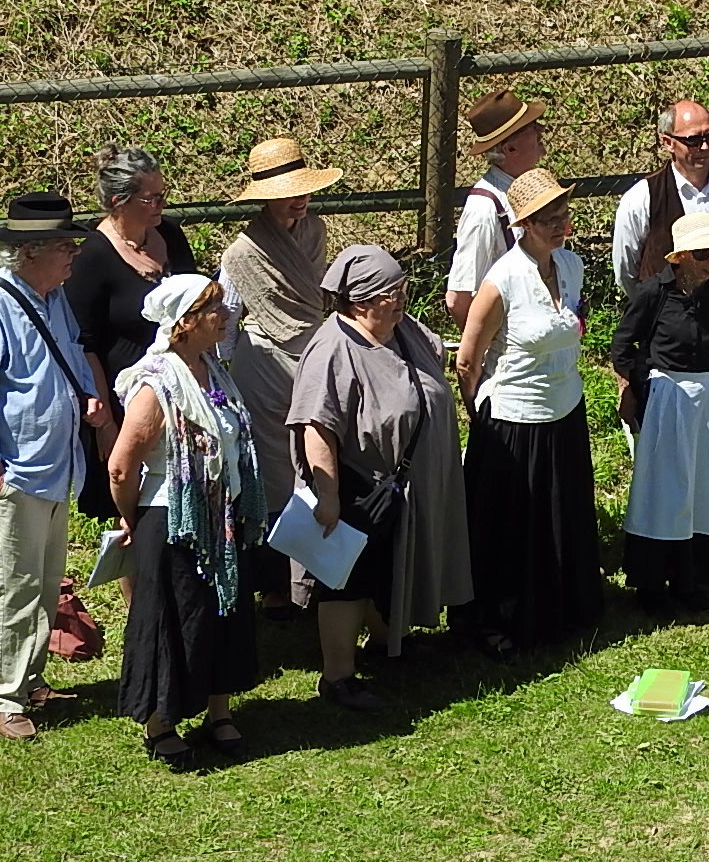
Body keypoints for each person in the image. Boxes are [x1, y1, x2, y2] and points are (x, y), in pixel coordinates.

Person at [0, 193, 108, 741]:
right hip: (15, 471)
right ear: (30, 251)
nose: (73, 255)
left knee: (43, 582)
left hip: (57, 466)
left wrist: (87, 395)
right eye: (65, 245)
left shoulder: (53, 297)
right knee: (15, 585)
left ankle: (30, 678)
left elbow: (71, 353)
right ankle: (5, 697)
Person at [289, 246, 471, 711]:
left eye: (402, 288)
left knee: (389, 567)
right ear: (360, 301)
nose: (402, 298)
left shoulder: (402, 330)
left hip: (402, 487)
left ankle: (389, 641)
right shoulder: (333, 349)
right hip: (357, 486)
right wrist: (328, 495)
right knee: (346, 581)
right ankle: (338, 677)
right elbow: (316, 427)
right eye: (392, 292)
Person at [107, 275, 267, 770]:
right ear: (184, 323)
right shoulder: (156, 382)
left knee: (222, 613)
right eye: (214, 309)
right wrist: (131, 518)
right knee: (172, 618)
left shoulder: (212, 369)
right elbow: (120, 465)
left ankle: (219, 711)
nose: (225, 316)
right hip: (171, 518)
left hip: (220, 515)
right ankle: (161, 723)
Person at [455, 169, 604, 655]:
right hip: (515, 420)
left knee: (561, 516)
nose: (561, 226)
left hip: (565, 409)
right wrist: (480, 413)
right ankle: (499, 619)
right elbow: (467, 358)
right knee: (511, 526)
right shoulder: (502, 280)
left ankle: (562, 606)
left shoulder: (573, 266)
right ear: (524, 225)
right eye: (548, 220)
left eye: (563, 216)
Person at [612, 101, 709, 539]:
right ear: (667, 144)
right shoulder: (642, 198)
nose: (704, 148)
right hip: (668, 340)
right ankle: (668, 526)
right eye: (692, 140)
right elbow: (628, 269)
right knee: (667, 440)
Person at [219, 137, 342, 619]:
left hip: (314, 356)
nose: (298, 198)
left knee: (321, 464)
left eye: (301, 189)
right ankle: (276, 585)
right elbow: (228, 319)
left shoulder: (316, 230)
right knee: (274, 475)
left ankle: (321, 571)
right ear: (263, 196)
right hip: (266, 364)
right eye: (286, 191)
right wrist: (228, 376)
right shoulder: (242, 253)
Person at [612, 213, 709, 617]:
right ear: (682, 257)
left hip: (706, 399)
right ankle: (652, 584)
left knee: (699, 487)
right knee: (662, 491)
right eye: (705, 254)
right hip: (666, 398)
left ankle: (690, 580)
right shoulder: (653, 293)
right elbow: (623, 345)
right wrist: (637, 392)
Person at [65, 145, 198, 533]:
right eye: (150, 198)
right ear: (117, 202)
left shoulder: (170, 235)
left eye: (163, 195)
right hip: (126, 400)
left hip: (182, 389)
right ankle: (139, 595)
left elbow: (195, 301)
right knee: (134, 513)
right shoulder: (92, 256)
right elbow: (84, 343)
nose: (160, 205)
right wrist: (105, 421)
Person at [446, 90, 549, 329]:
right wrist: (482, 352)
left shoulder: (534, 189)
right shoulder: (484, 208)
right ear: (510, 148)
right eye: (532, 126)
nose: (541, 130)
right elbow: (458, 300)